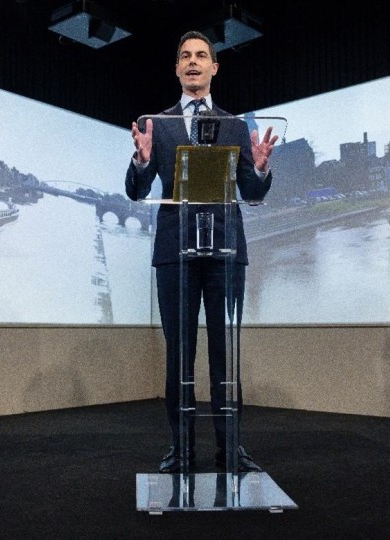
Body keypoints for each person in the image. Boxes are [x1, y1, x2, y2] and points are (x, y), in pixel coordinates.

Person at [125, 31, 278, 474]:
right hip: (176, 252)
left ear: (215, 67)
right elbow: (137, 192)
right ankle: (182, 448)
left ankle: (231, 449)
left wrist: (263, 167)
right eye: (185, 57)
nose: (193, 62)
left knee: (225, 353)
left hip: (226, 253)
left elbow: (251, 190)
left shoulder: (236, 124)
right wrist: (141, 161)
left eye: (202, 56)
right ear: (176, 68)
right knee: (180, 354)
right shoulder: (158, 122)